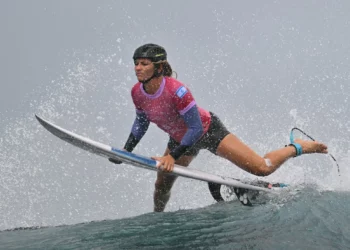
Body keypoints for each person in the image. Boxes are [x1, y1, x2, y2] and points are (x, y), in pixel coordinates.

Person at [118, 43, 328, 212]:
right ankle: (157, 219)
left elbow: (196, 127)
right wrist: (127, 149)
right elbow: (141, 122)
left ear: (159, 67)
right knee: (162, 183)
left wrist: (172, 157)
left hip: (208, 131)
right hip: (180, 139)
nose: (137, 68)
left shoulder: (177, 91)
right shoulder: (137, 92)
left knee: (262, 168)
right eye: (136, 63)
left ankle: (296, 146)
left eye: (144, 63)